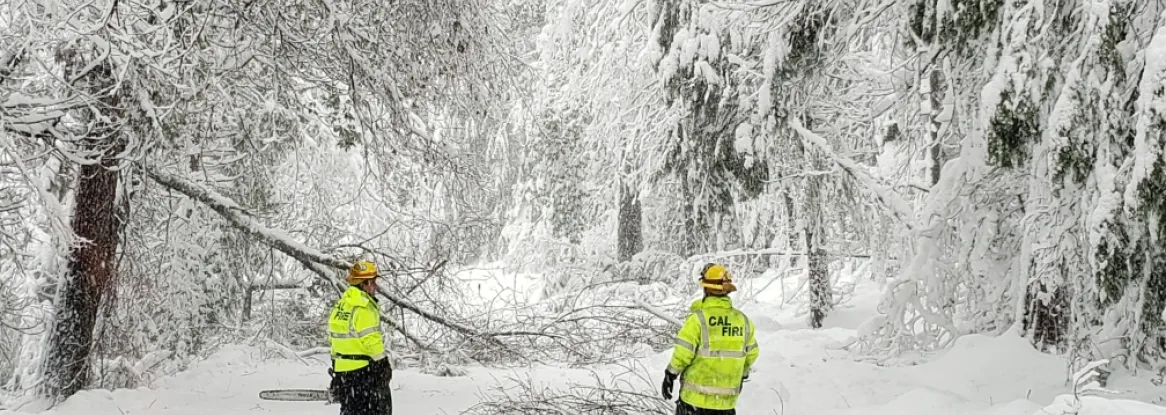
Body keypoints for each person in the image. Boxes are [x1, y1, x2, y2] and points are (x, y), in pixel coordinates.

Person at [661, 263, 760, 415]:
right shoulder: (743, 321)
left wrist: (670, 375)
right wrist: (741, 374)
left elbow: (682, 354)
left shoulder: (697, 320)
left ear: (706, 289)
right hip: (726, 405)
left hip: (694, 402)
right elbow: (751, 354)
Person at [328, 260, 392, 415]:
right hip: (364, 373)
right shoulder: (363, 308)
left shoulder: (341, 306)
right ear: (365, 283)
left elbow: (334, 338)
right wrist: (383, 364)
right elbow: (371, 340)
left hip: (344, 372)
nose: (375, 286)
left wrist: (337, 368)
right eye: (373, 282)